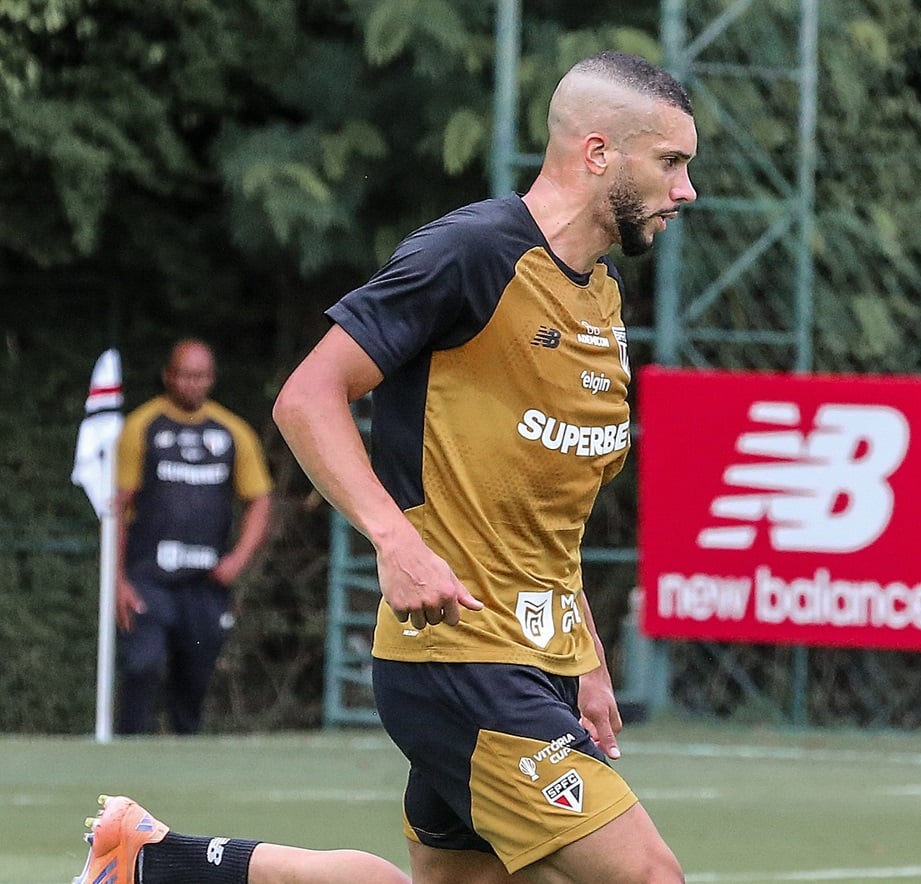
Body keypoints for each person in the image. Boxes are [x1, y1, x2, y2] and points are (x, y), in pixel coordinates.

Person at [73, 49, 695, 884]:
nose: (685, 190)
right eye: (671, 163)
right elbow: (307, 397)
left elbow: (543, 507)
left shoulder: (602, 294)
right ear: (597, 154)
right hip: (460, 658)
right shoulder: (471, 253)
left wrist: (582, 654)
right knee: (651, 877)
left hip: (534, 664)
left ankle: (157, 860)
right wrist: (393, 540)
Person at [112, 338, 273, 735]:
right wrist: (117, 580)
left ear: (212, 379)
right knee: (142, 665)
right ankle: (128, 751)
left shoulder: (232, 431)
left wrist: (238, 559)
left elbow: (260, 500)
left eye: (200, 376)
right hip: (148, 579)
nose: (191, 384)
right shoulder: (142, 426)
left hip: (205, 584)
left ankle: (183, 761)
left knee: (195, 678)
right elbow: (117, 507)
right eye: (184, 375)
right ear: (168, 376)